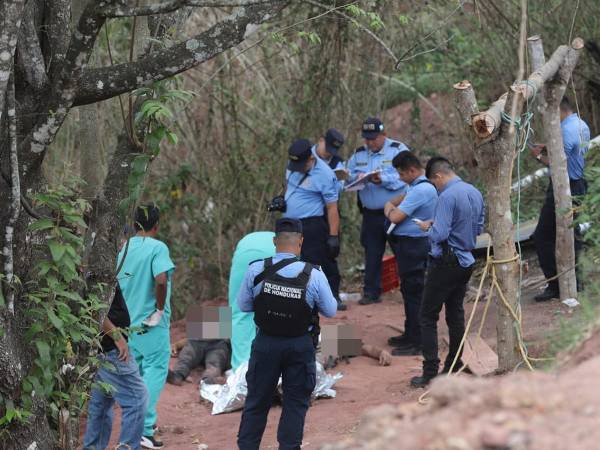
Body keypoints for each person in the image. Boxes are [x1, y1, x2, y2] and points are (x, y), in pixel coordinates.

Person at [236, 218, 337, 450]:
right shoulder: (314, 274)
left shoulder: (256, 269)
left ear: (274, 241)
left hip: (265, 344)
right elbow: (330, 310)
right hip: (299, 346)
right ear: (301, 241)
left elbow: (243, 305)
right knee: (295, 403)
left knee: (256, 402)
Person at [410, 157, 484, 388]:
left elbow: (439, 235)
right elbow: (478, 226)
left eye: (434, 183)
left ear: (439, 176)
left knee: (427, 316)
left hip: (446, 262)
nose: (436, 188)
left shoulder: (447, 196)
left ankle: (430, 371)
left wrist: (427, 227)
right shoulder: (474, 191)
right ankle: (453, 364)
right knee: (456, 314)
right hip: (466, 260)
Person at [117, 204, 176, 449]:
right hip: (151, 323)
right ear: (156, 225)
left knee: (138, 376)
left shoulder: (124, 249)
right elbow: (161, 279)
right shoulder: (157, 247)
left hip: (126, 325)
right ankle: (144, 428)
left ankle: (134, 429)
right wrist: (160, 308)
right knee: (155, 371)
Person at [531, 97, 591, 301]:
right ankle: (578, 281)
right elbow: (570, 150)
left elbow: (558, 164)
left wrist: (538, 157)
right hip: (580, 184)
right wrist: (547, 146)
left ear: (557, 111)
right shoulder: (580, 124)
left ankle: (555, 285)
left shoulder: (564, 131)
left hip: (565, 186)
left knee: (542, 236)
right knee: (574, 234)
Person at [346, 117, 409, 305]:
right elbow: (346, 177)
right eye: (367, 139)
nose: (370, 142)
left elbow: (406, 177)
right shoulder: (358, 155)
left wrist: (383, 179)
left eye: (374, 138)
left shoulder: (398, 150)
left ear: (384, 134)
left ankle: (410, 289)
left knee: (403, 250)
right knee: (372, 253)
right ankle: (371, 292)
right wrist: (353, 178)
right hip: (371, 213)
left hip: (396, 211)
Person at [383, 151, 438, 356]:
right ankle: (410, 333)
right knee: (409, 290)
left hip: (415, 246)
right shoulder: (415, 188)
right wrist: (392, 204)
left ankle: (418, 341)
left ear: (413, 170)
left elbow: (396, 216)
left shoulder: (420, 190)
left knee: (415, 292)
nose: (400, 178)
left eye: (402, 174)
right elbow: (400, 200)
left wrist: (388, 209)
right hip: (410, 245)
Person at [83, 285, 148, 450]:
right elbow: (95, 308)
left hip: (99, 348)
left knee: (101, 405)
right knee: (137, 399)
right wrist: (117, 336)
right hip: (111, 349)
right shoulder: (99, 263)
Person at [283, 138, 344, 311]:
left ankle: (331, 297)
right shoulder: (294, 163)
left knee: (318, 262)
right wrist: (282, 198)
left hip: (312, 224)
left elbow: (332, 207)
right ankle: (299, 297)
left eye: (301, 165)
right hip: (289, 224)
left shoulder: (325, 174)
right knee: (291, 263)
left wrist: (333, 236)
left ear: (310, 159)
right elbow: (289, 184)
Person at [228, 232, 276, 370]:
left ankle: (241, 370)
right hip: (276, 251)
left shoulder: (245, 242)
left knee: (239, 312)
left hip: (245, 251)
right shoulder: (291, 245)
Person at [313, 128, 347, 310]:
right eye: (327, 148)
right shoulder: (304, 156)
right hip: (307, 214)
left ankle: (333, 296)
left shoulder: (337, 162)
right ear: (320, 140)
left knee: (330, 253)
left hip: (328, 212)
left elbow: (339, 189)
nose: (329, 154)